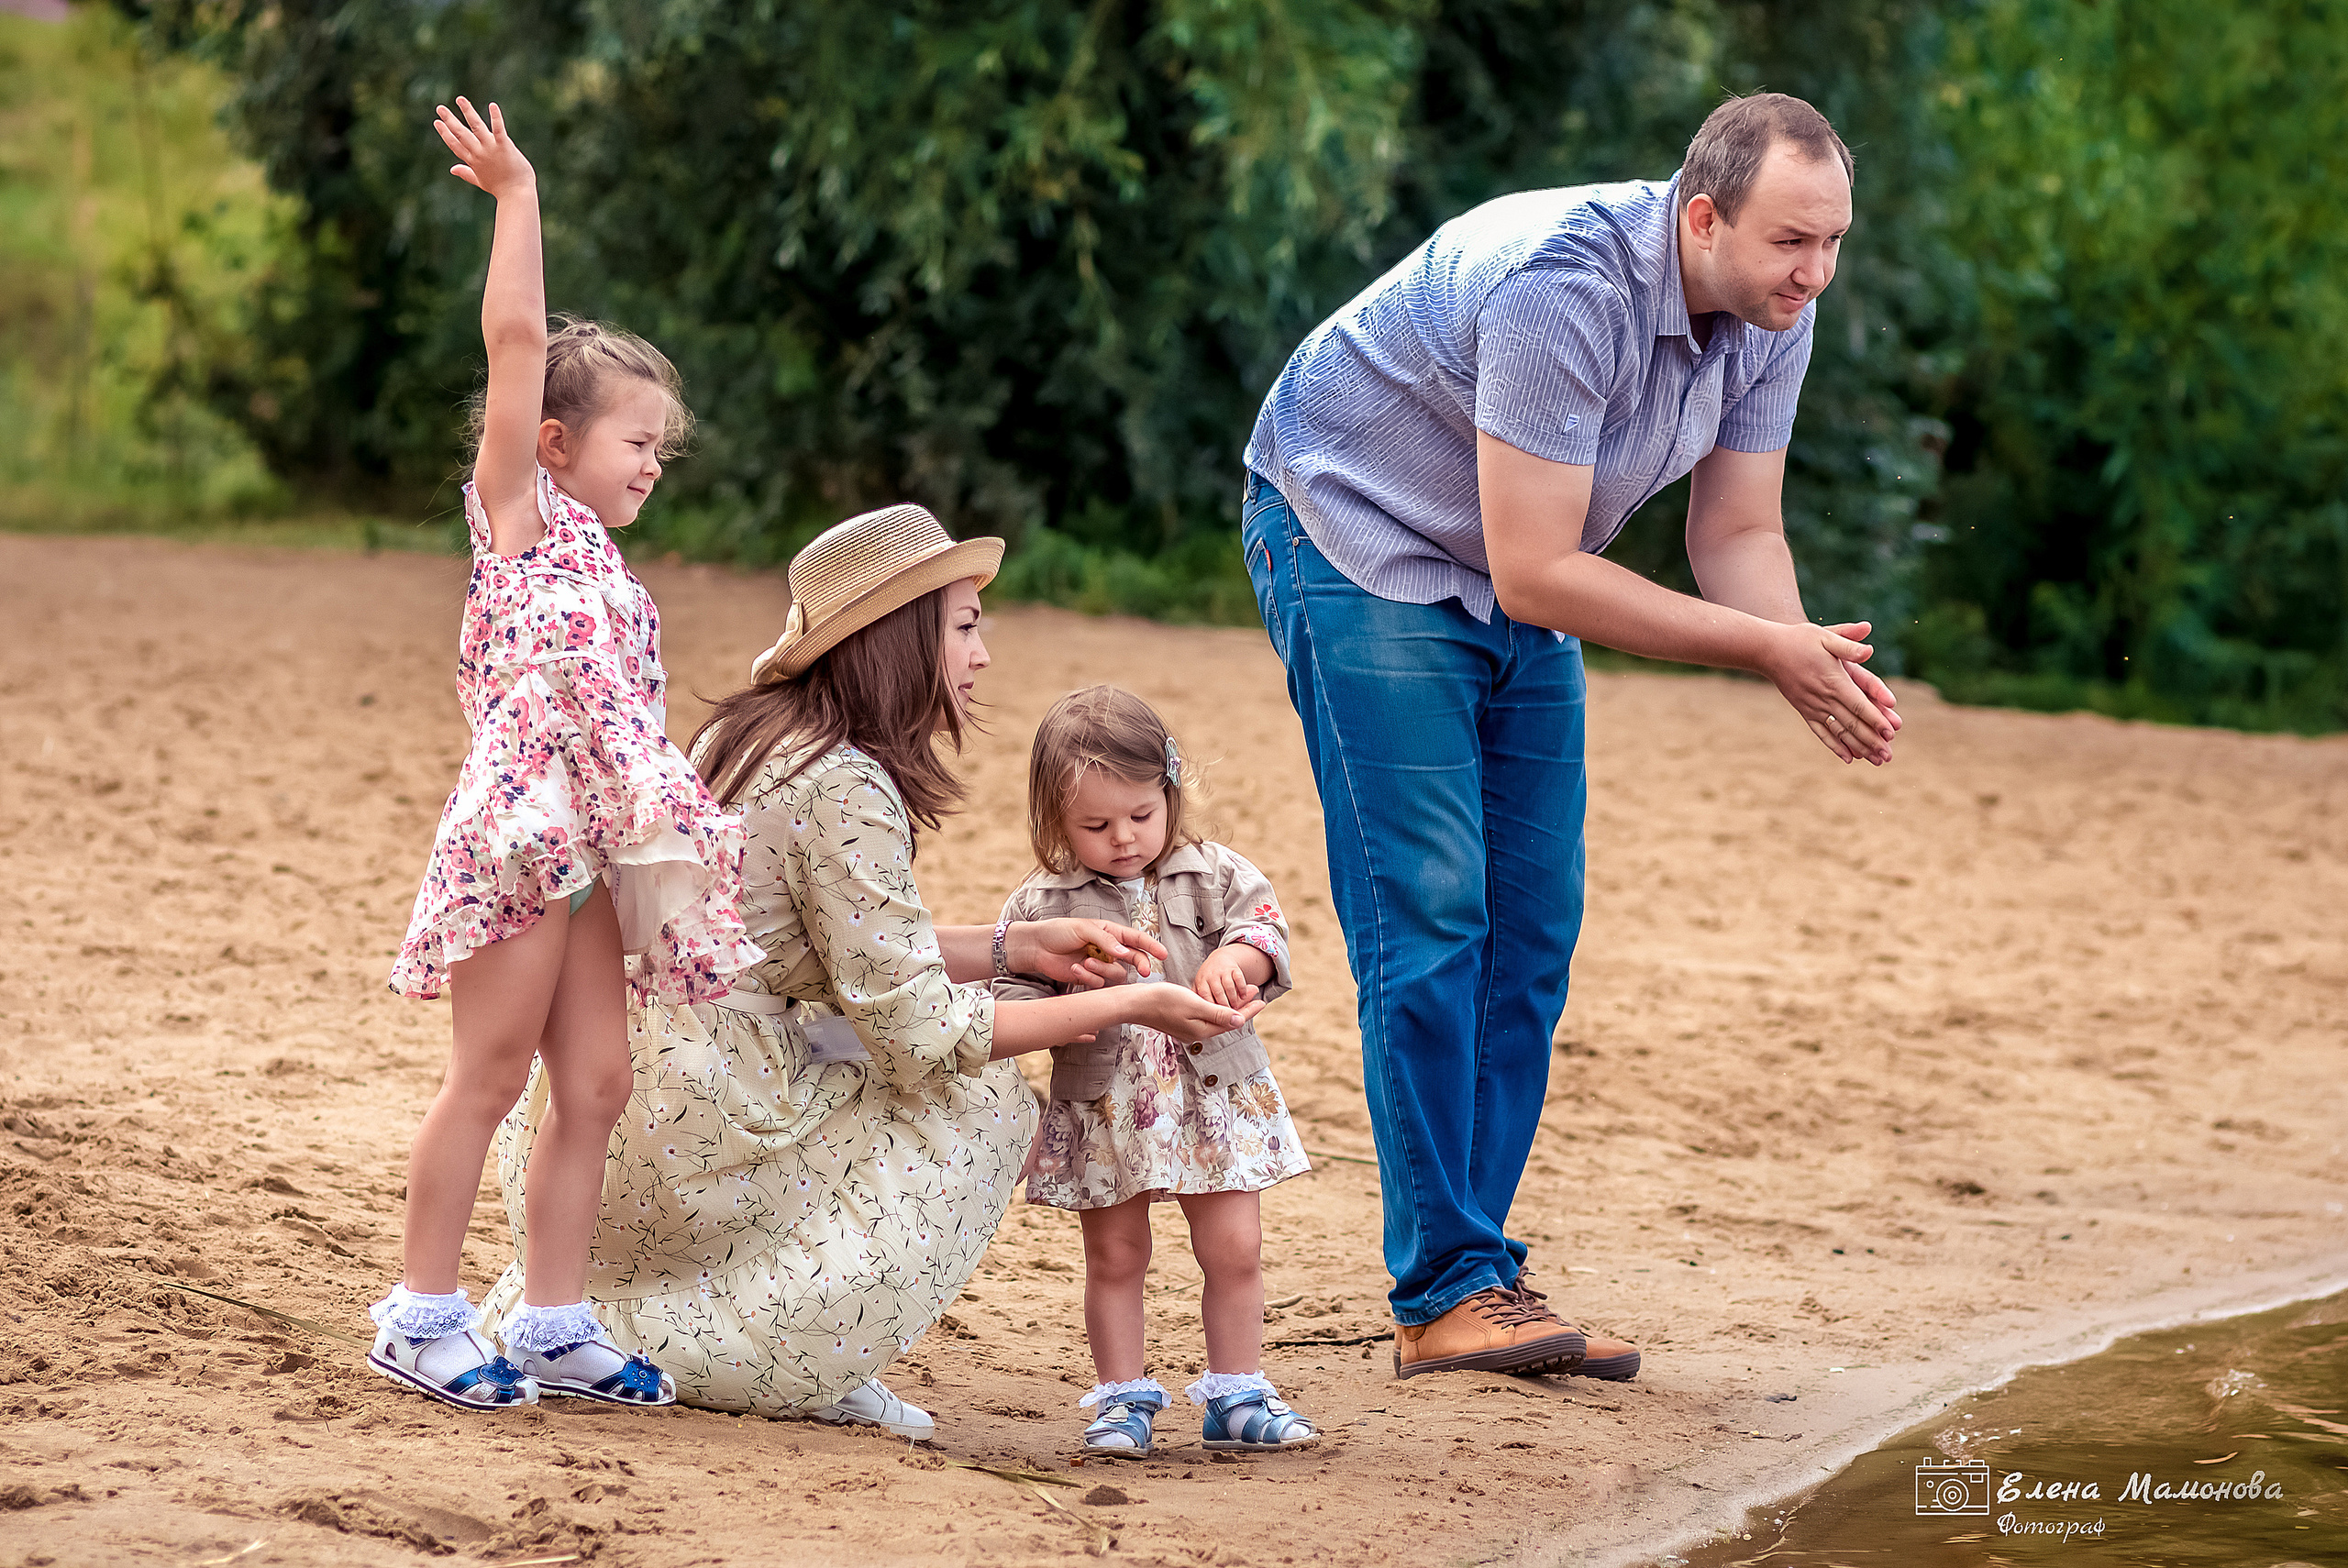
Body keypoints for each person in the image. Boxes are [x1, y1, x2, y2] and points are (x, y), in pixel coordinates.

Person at [1239, 93, 1903, 1381]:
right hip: (1354, 533)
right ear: (1703, 217)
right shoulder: (1568, 286)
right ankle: (1444, 1288)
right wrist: (1759, 647)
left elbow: (1737, 534)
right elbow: (1539, 568)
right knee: (1430, 911)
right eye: (1789, 244)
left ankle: (1476, 1266)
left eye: (1832, 245)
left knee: (1532, 927)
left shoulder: (1774, 316)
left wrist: (1799, 648)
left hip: (1506, 566)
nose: (1814, 275)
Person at [482, 505, 1263, 1438]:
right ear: (899, 640)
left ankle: (644, 1320)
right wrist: (1138, 1002)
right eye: (965, 626)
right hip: (710, 1116)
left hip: (623, 1094)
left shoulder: (750, 738)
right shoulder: (846, 784)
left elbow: (844, 954)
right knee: (981, 1101)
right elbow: (922, 1034)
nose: (983, 655)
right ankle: (801, 1350)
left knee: (866, 1045)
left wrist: (1015, 950)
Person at [372, 99, 760, 1410]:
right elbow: (518, 338)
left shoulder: (612, 567)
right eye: (638, 442)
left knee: (598, 1080)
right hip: (519, 840)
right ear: (552, 445)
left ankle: (551, 1316)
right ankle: (420, 1313)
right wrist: (516, 195)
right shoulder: (520, 521)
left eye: (663, 446)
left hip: (601, 842)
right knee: (488, 1072)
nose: (657, 463)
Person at [991, 686, 1319, 1458]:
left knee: (1234, 1247)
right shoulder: (1044, 902)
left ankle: (1237, 1391)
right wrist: (1076, 993)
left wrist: (1236, 963)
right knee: (1115, 1254)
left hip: (1213, 1096)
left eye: (1142, 815)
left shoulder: (1213, 872)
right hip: (1106, 1104)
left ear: (1171, 793)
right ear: (1054, 820)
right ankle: (1121, 1399)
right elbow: (1005, 1002)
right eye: (1095, 826)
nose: (1125, 839)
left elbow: (1263, 928)